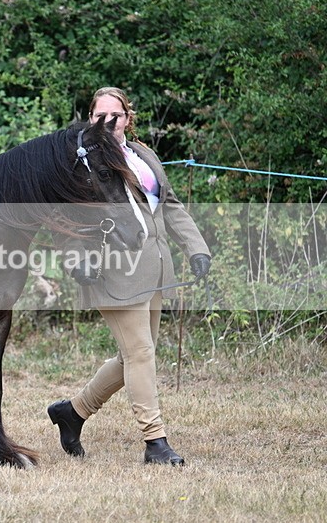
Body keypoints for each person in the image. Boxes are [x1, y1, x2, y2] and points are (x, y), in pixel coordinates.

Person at [47, 86, 212, 466]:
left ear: (127, 118)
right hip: (113, 269)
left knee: (132, 357)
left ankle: (73, 412)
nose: (108, 122)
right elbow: (64, 217)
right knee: (140, 353)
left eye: (115, 116)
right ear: (90, 119)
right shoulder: (81, 162)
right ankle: (155, 442)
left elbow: (169, 205)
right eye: (100, 116)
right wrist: (76, 261)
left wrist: (196, 248)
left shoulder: (143, 155)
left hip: (155, 267)